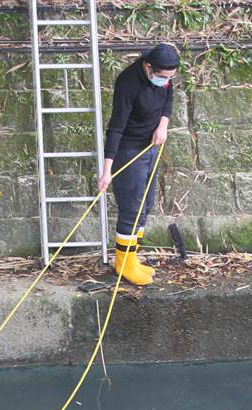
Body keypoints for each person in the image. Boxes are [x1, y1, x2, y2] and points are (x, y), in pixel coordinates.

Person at [98, 43, 180, 287]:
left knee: (146, 205)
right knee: (131, 209)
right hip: (129, 150)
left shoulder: (164, 78)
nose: (165, 81)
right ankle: (122, 263)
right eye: (162, 77)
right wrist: (106, 171)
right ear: (148, 67)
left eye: (170, 78)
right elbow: (116, 127)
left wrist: (163, 126)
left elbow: (168, 99)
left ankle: (132, 258)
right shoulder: (128, 82)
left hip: (151, 147)